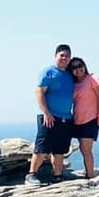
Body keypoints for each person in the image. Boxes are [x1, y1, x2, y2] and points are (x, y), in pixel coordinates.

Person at [26, 43, 76, 186]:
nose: (64, 58)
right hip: (49, 117)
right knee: (42, 147)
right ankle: (31, 175)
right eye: (62, 55)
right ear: (55, 56)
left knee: (59, 150)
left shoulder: (69, 75)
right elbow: (39, 92)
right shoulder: (48, 72)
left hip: (65, 118)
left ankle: (57, 176)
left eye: (67, 56)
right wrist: (46, 113)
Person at [69, 56, 99, 179]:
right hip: (77, 119)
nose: (78, 69)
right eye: (74, 67)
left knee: (86, 149)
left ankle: (90, 176)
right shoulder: (74, 84)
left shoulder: (92, 79)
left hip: (90, 119)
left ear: (84, 66)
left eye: (80, 65)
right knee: (82, 149)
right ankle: (88, 174)